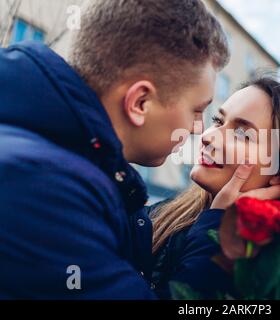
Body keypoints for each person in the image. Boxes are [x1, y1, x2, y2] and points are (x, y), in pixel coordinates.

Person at [0, 0, 236, 299]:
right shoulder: (41, 185)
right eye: (197, 111)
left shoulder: (49, 151)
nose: (199, 129)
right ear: (140, 103)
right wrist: (213, 236)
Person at [150, 77, 280, 299]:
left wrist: (218, 219)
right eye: (218, 121)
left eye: (242, 134)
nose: (208, 137)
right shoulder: (152, 220)